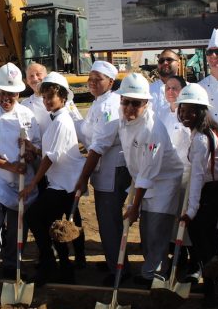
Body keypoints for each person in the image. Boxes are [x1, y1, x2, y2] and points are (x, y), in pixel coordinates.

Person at [0, 63, 41, 286]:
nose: (6, 98)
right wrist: (12, 167)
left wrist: (30, 151)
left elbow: (37, 147)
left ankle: (11, 263)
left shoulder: (28, 115)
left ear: (18, 94)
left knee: (17, 222)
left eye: (11, 94)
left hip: (23, 178)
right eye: (3, 93)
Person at [116, 73, 183, 286]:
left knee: (156, 230)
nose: (129, 108)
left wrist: (134, 206)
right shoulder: (124, 121)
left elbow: (149, 171)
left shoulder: (153, 130)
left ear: (146, 103)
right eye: (125, 102)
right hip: (142, 181)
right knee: (146, 232)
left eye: (135, 103)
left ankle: (155, 276)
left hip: (163, 183)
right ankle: (150, 270)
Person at [177, 83, 218, 307]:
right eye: (182, 110)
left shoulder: (202, 138)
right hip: (216, 187)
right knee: (208, 234)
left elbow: (196, 177)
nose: (185, 115)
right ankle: (212, 280)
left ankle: (211, 275)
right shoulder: (201, 132)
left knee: (197, 226)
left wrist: (191, 210)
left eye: (191, 111)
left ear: (201, 112)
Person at [20, 72, 85, 286]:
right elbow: (51, 152)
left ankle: (51, 263)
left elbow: (51, 158)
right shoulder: (56, 119)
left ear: (63, 98)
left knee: (35, 217)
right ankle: (63, 267)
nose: (47, 101)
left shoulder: (61, 122)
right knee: (54, 225)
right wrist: (33, 149)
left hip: (63, 185)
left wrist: (31, 184)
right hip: (61, 182)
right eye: (45, 97)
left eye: (51, 97)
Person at [74, 60, 130, 286]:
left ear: (111, 81)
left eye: (99, 79)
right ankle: (112, 260)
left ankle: (119, 270)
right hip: (102, 168)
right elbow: (88, 134)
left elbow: (99, 146)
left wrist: (83, 176)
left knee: (109, 220)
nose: (93, 83)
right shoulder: (98, 102)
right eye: (91, 79)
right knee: (106, 219)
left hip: (111, 169)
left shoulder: (110, 106)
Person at [155, 75, 191, 174]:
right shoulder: (162, 112)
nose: (170, 91)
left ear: (183, 90)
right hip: (163, 168)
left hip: (184, 170)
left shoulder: (189, 115)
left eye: (174, 88)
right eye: (168, 88)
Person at [150, 49, 181, 114]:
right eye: (161, 61)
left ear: (178, 64)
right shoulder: (148, 90)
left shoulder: (187, 89)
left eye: (169, 60)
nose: (165, 63)